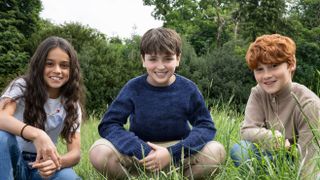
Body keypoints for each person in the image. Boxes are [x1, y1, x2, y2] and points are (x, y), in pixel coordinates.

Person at [89, 27, 226, 179]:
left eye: (168, 59)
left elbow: (205, 126)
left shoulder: (188, 88)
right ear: (143, 60)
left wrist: (171, 153)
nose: (160, 66)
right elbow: (109, 124)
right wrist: (141, 149)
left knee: (216, 151)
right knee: (99, 151)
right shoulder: (133, 88)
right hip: (140, 154)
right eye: (153, 59)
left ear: (178, 58)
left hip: (178, 154)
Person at [230, 34, 320, 178]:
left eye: (274, 66)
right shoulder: (258, 93)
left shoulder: (309, 103)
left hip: (301, 161)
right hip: (272, 157)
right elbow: (246, 131)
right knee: (240, 150)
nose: (266, 75)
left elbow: (310, 160)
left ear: (291, 64)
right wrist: (272, 137)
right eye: (259, 69)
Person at [0, 36, 85, 180]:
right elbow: (1, 117)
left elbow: (75, 153)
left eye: (64, 65)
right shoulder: (22, 86)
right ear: (39, 65)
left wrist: (56, 163)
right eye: (49, 64)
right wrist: (37, 135)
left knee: (68, 177)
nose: (57, 70)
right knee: (2, 136)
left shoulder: (72, 104)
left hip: (42, 166)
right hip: (11, 160)